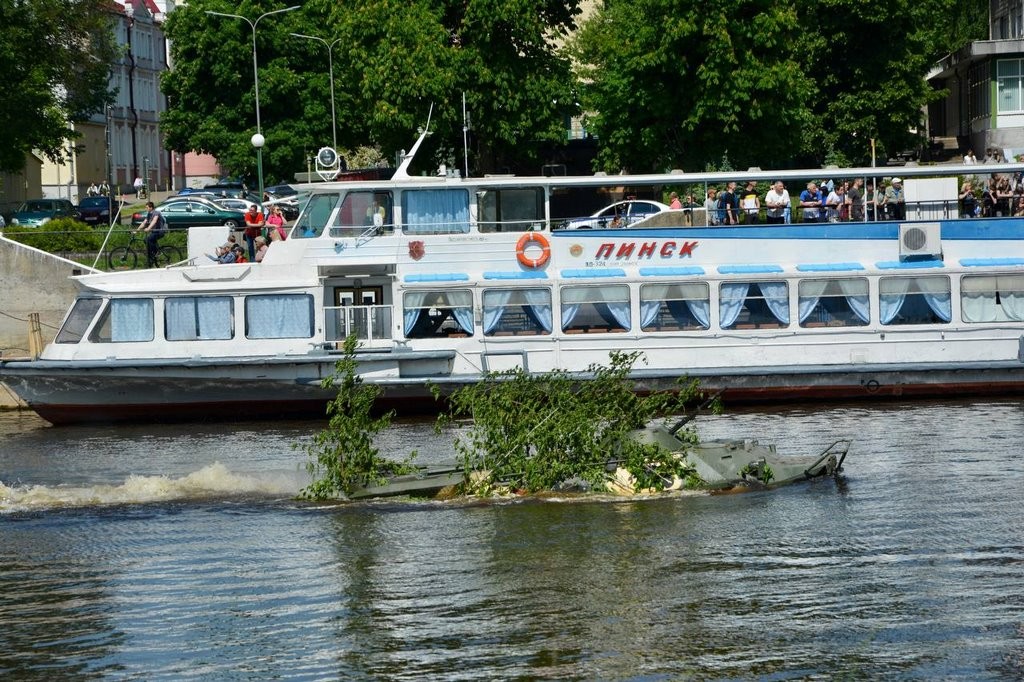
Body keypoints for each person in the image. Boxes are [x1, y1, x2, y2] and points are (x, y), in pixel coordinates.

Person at [135, 201, 166, 268]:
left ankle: (157, 252)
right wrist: (137, 230)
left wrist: (148, 228)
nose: (146, 209)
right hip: (154, 232)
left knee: (148, 239)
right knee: (146, 240)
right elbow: (144, 223)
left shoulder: (156, 213)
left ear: (151, 207)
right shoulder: (149, 214)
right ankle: (151, 257)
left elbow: (154, 221)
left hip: (159, 231)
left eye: (147, 207)